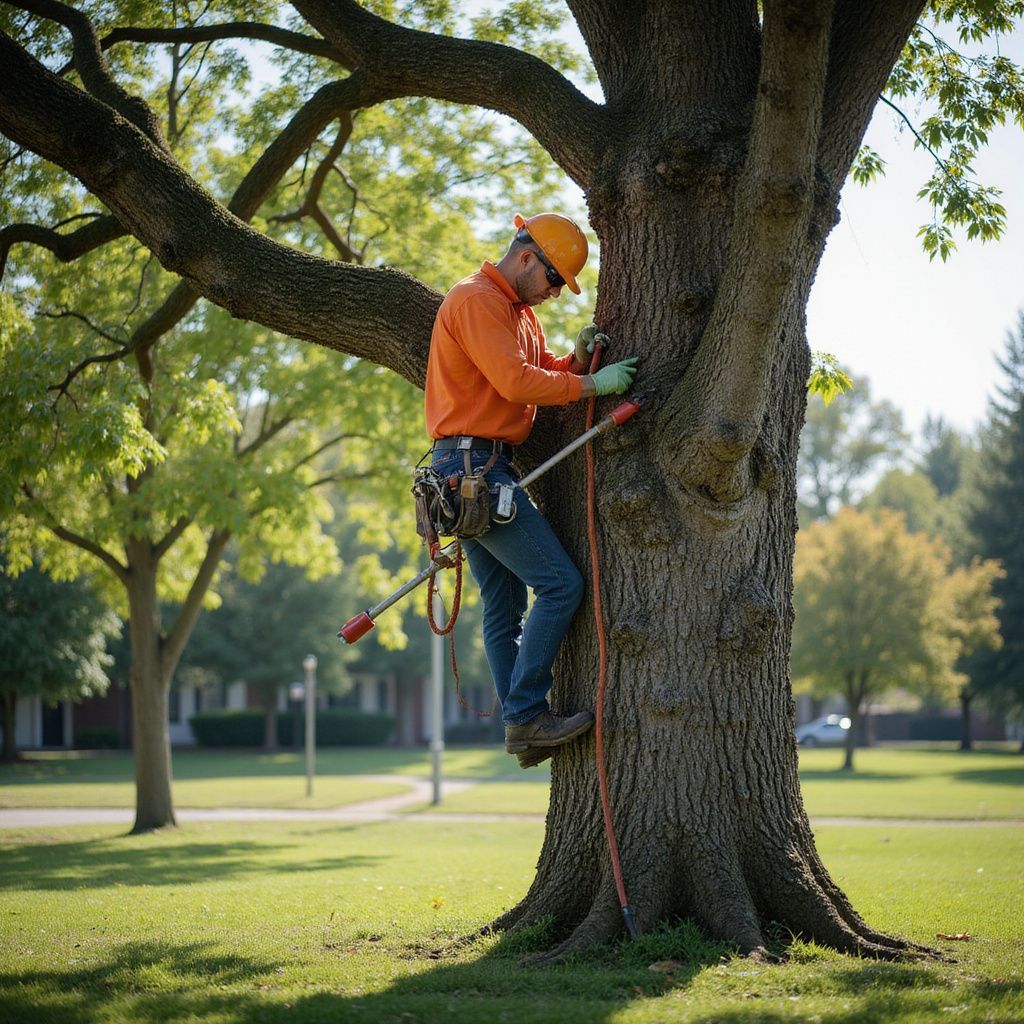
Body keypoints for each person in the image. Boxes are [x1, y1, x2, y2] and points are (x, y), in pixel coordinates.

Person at [424, 212, 638, 767]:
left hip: (479, 468)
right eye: (551, 281)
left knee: (503, 605)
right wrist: (593, 384)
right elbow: (517, 383)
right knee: (562, 585)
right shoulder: (476, 301)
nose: (552, 295)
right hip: (473, 470)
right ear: (526, 258)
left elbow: (540, 369)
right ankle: (524, 716)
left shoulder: (516, 313)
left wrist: (579, 360)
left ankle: (522, 723)